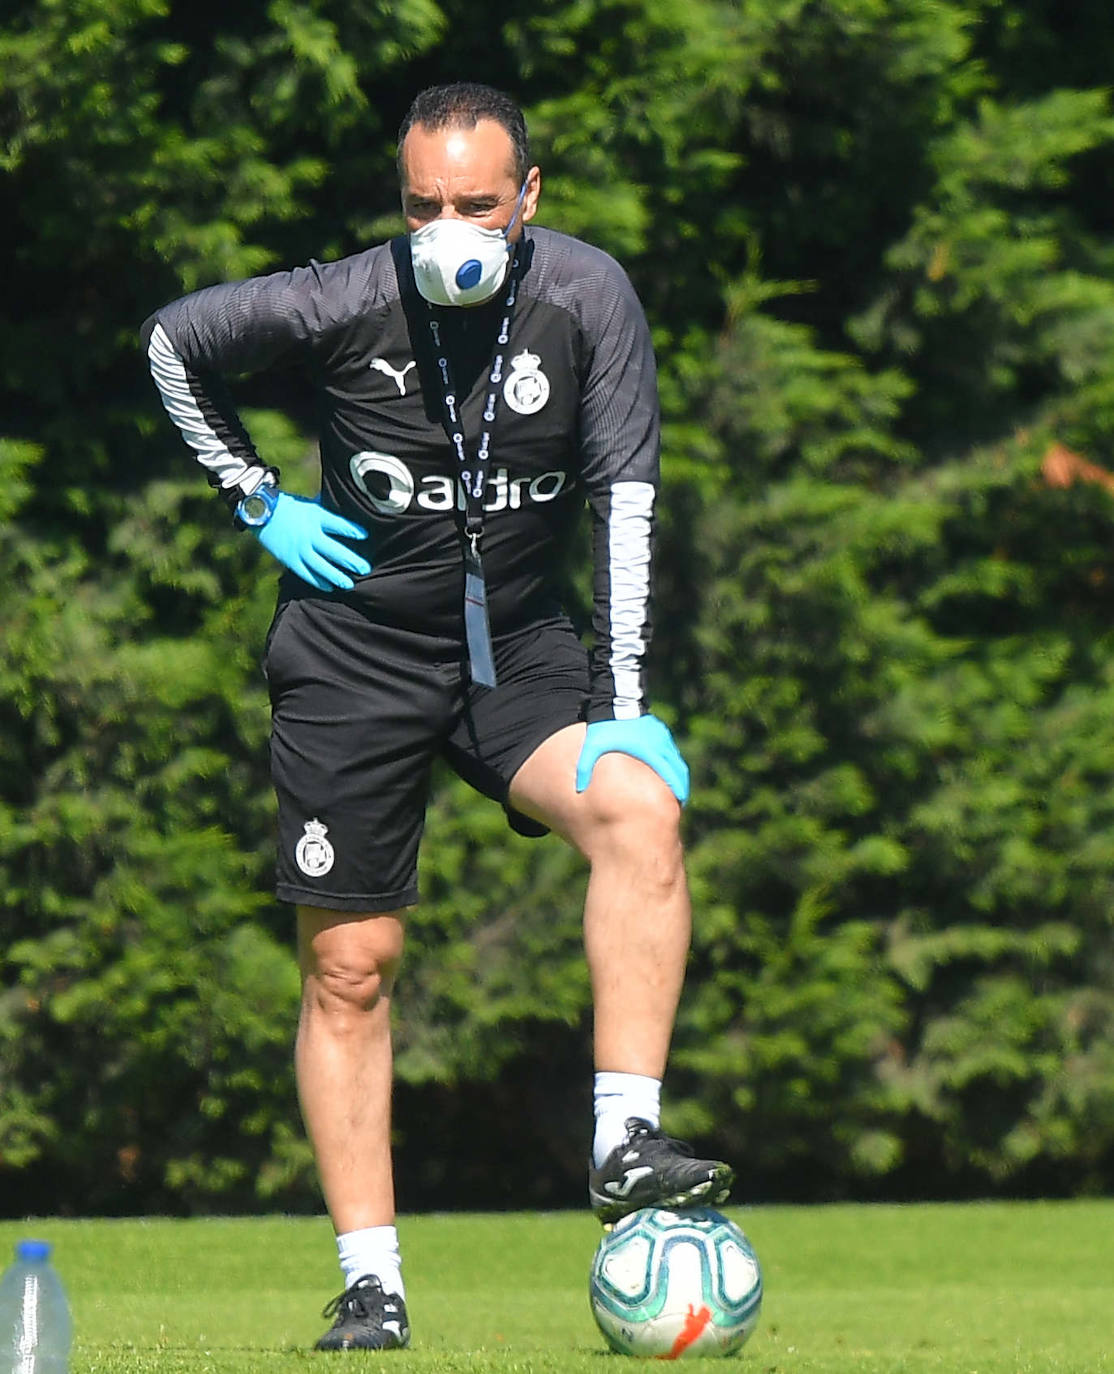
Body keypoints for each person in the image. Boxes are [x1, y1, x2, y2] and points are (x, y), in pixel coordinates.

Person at [141, 82, 733, 1352]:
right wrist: (256, 498)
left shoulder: (588, 297)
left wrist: (622, 704)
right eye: (423, 207)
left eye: (476, 204)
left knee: (641, 807)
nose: (448, 229)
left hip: (514, 648)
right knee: (352, 967)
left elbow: (626, 495)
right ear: (398, 206)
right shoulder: (346, 297)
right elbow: (170, 343)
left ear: (528, 198)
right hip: (351, 651)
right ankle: (372, 1280)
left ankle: (623, 1139)